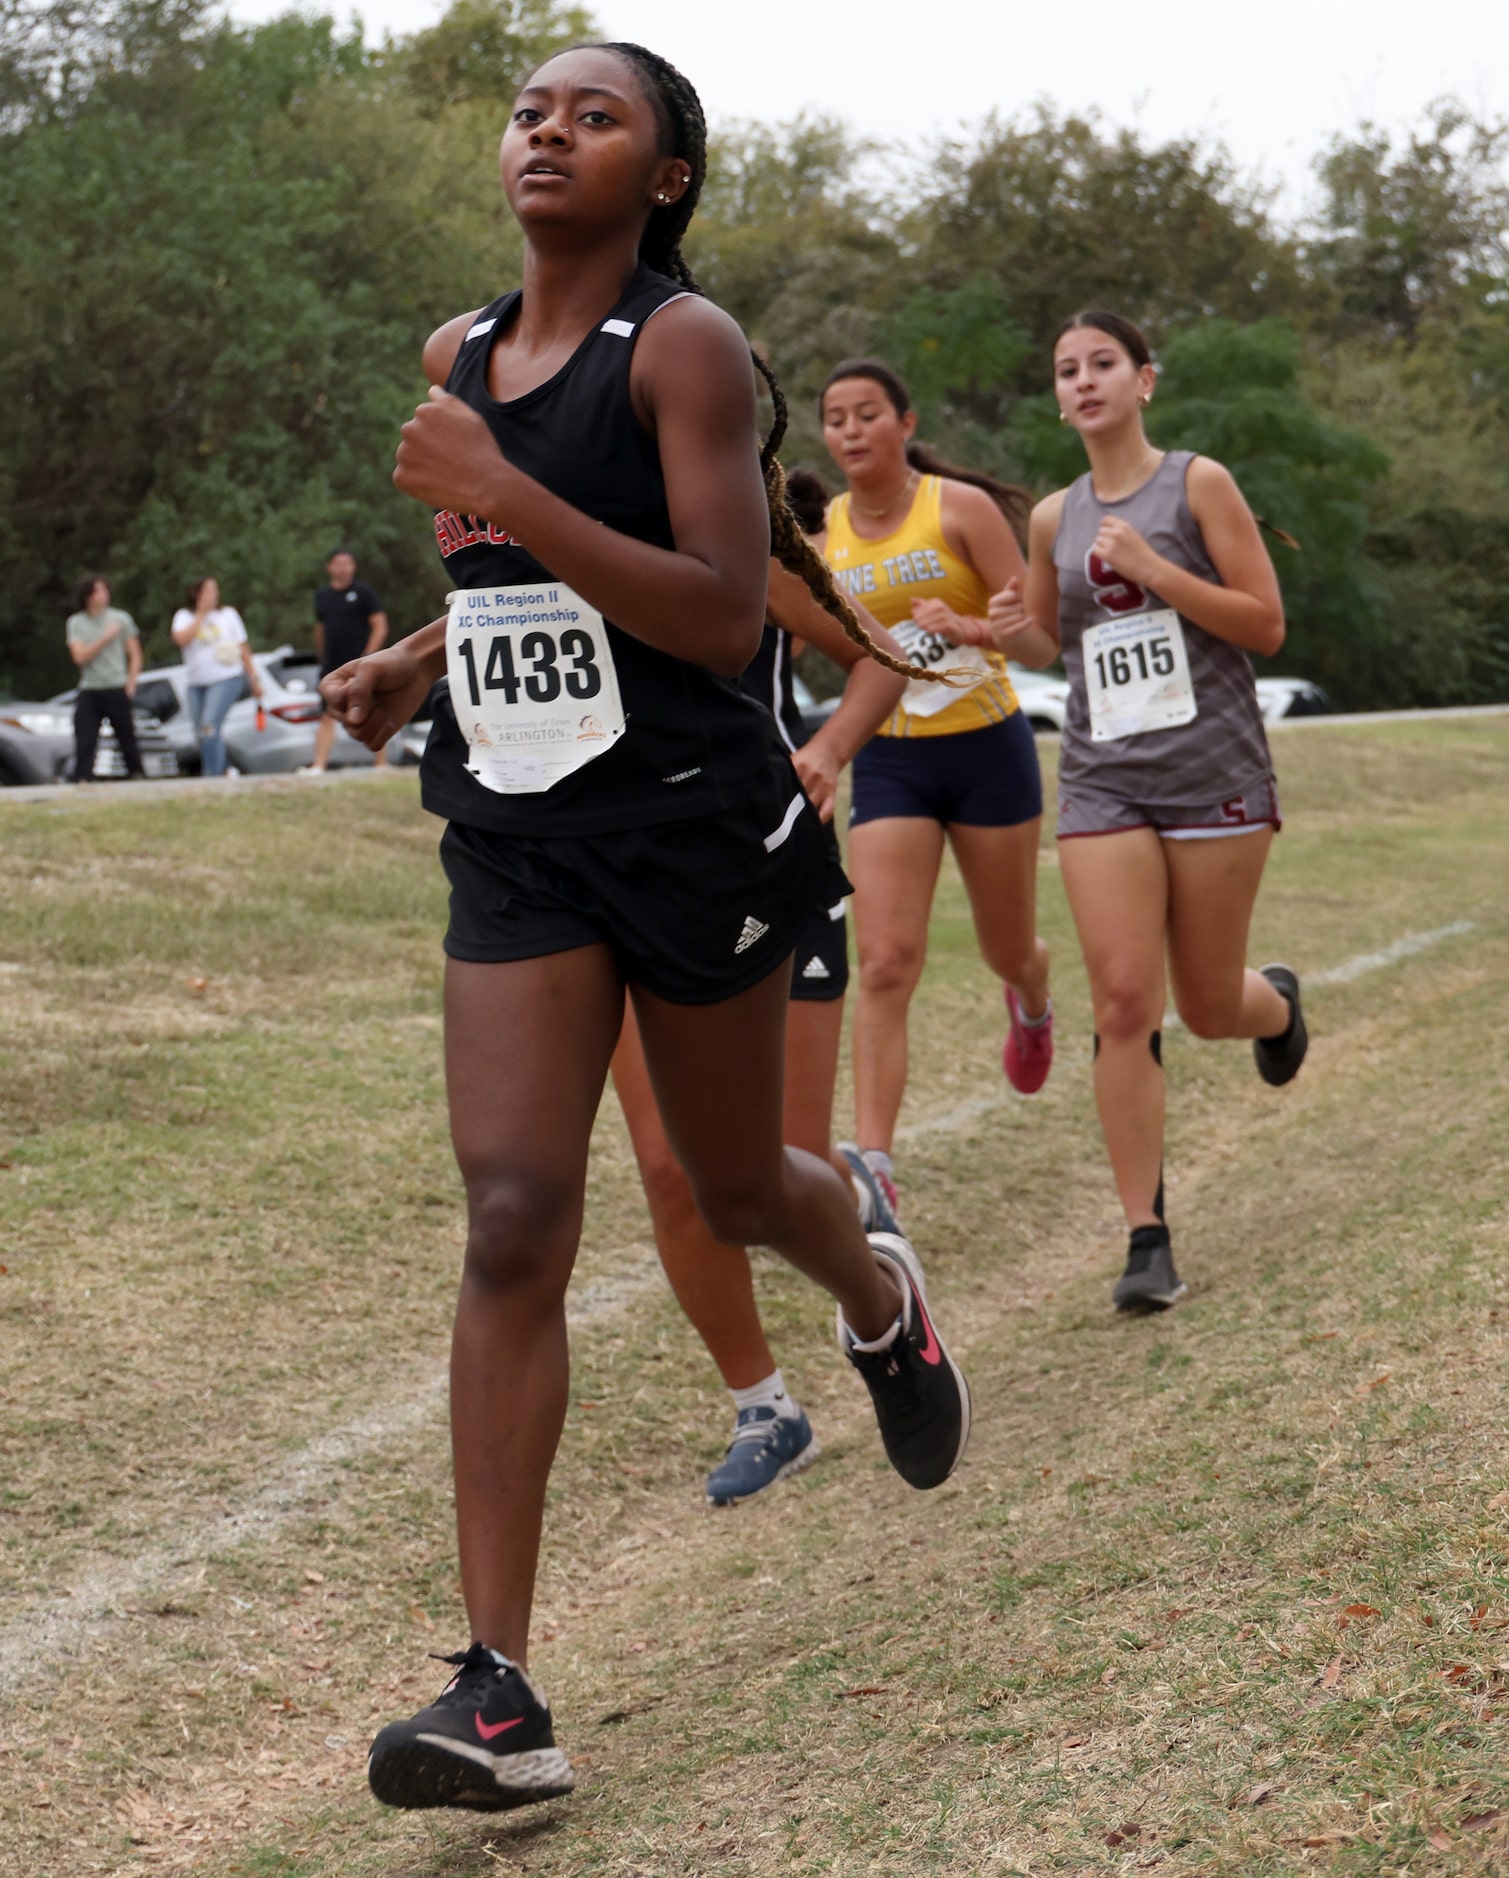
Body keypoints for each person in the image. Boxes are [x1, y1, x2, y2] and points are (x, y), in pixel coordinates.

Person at [319, 42, 970, 1813]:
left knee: (738, 1184)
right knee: (518, 1208)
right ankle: (499, 1694)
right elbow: (524, 587)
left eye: (593, 115)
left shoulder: (682, 349)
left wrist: (504, 486)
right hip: (518, 829)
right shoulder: (464, 354)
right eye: (531, 108)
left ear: (665, 173)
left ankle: (877, 1293)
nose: (547, 128)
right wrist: (406, 660)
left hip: (690, 822)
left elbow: (706, 604)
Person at [984, 308, 1308, 1312]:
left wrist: (1161, 571)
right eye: (1065, 368)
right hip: (1102, 777)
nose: (1081, 381)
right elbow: (1050, 644)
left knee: (1207, 1004)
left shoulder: (1195, 484)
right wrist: (1000, 631)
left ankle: (1276, 1005)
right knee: (1125, 1000)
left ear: (1143, 381)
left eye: (1101, 364)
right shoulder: (1052, 517)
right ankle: (1145, 1238)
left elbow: (1264, 623)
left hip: (1210, 767)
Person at [608, 467, 910, 1506]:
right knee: (665, 1167)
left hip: (760, 865)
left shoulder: (735, 548)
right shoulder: (553, 533)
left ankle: (871, 1266)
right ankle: (765, 1406)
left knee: (768, 1160)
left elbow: (878, 660)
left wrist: (825, 751)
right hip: (609, 875)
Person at [819, 359, 1054, 1217]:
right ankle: (873, 1159)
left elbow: (1038, 647)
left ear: (905, 424)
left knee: (1006, 947)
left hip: (987, 747)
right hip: (892, 758)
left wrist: (973, 629)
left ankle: (1031, 997)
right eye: (835, 418)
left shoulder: (958, 510)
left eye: (867, 414)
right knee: (883, 961)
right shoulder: (823, 539)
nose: (849, 430)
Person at [171, 576, 263, 778]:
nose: (214, 595)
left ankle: (210, 775)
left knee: (209, 725)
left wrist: (254, 678)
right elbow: (181, 640)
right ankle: (227, 769)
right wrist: (201, 615)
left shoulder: (228, 614)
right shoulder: (184, 616)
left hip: (226, 677)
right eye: (208, 590)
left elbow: (243, 646)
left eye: (215, 590)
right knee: (202, 733)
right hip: (197, 682)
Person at [309, 549, 391, 773]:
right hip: (332, 665)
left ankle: (381, 764)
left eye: (347, 563)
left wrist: (368, 657)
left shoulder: (363, 593)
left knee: (371, 710)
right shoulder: (322, 596)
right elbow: (320, 628)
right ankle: (319, 765)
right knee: (327, 714)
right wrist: (322, 655)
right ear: (329, 567)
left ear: (353, 566)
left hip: (360, 664)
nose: (343, 567)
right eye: (338, 563)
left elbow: (380, 625)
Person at [63, 574, 145, 782]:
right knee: (85, 737)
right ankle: (83, 777)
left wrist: (131, 683)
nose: (104, 594)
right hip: (90, 688)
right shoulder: (76, 623)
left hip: (116, 685)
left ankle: (136, 774)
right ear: (88, 596)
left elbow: (135, 654)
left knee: (126, 735)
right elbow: (79, 657)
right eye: (99, 590)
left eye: (105, 590)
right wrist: (104, 639)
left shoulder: (121, 619)